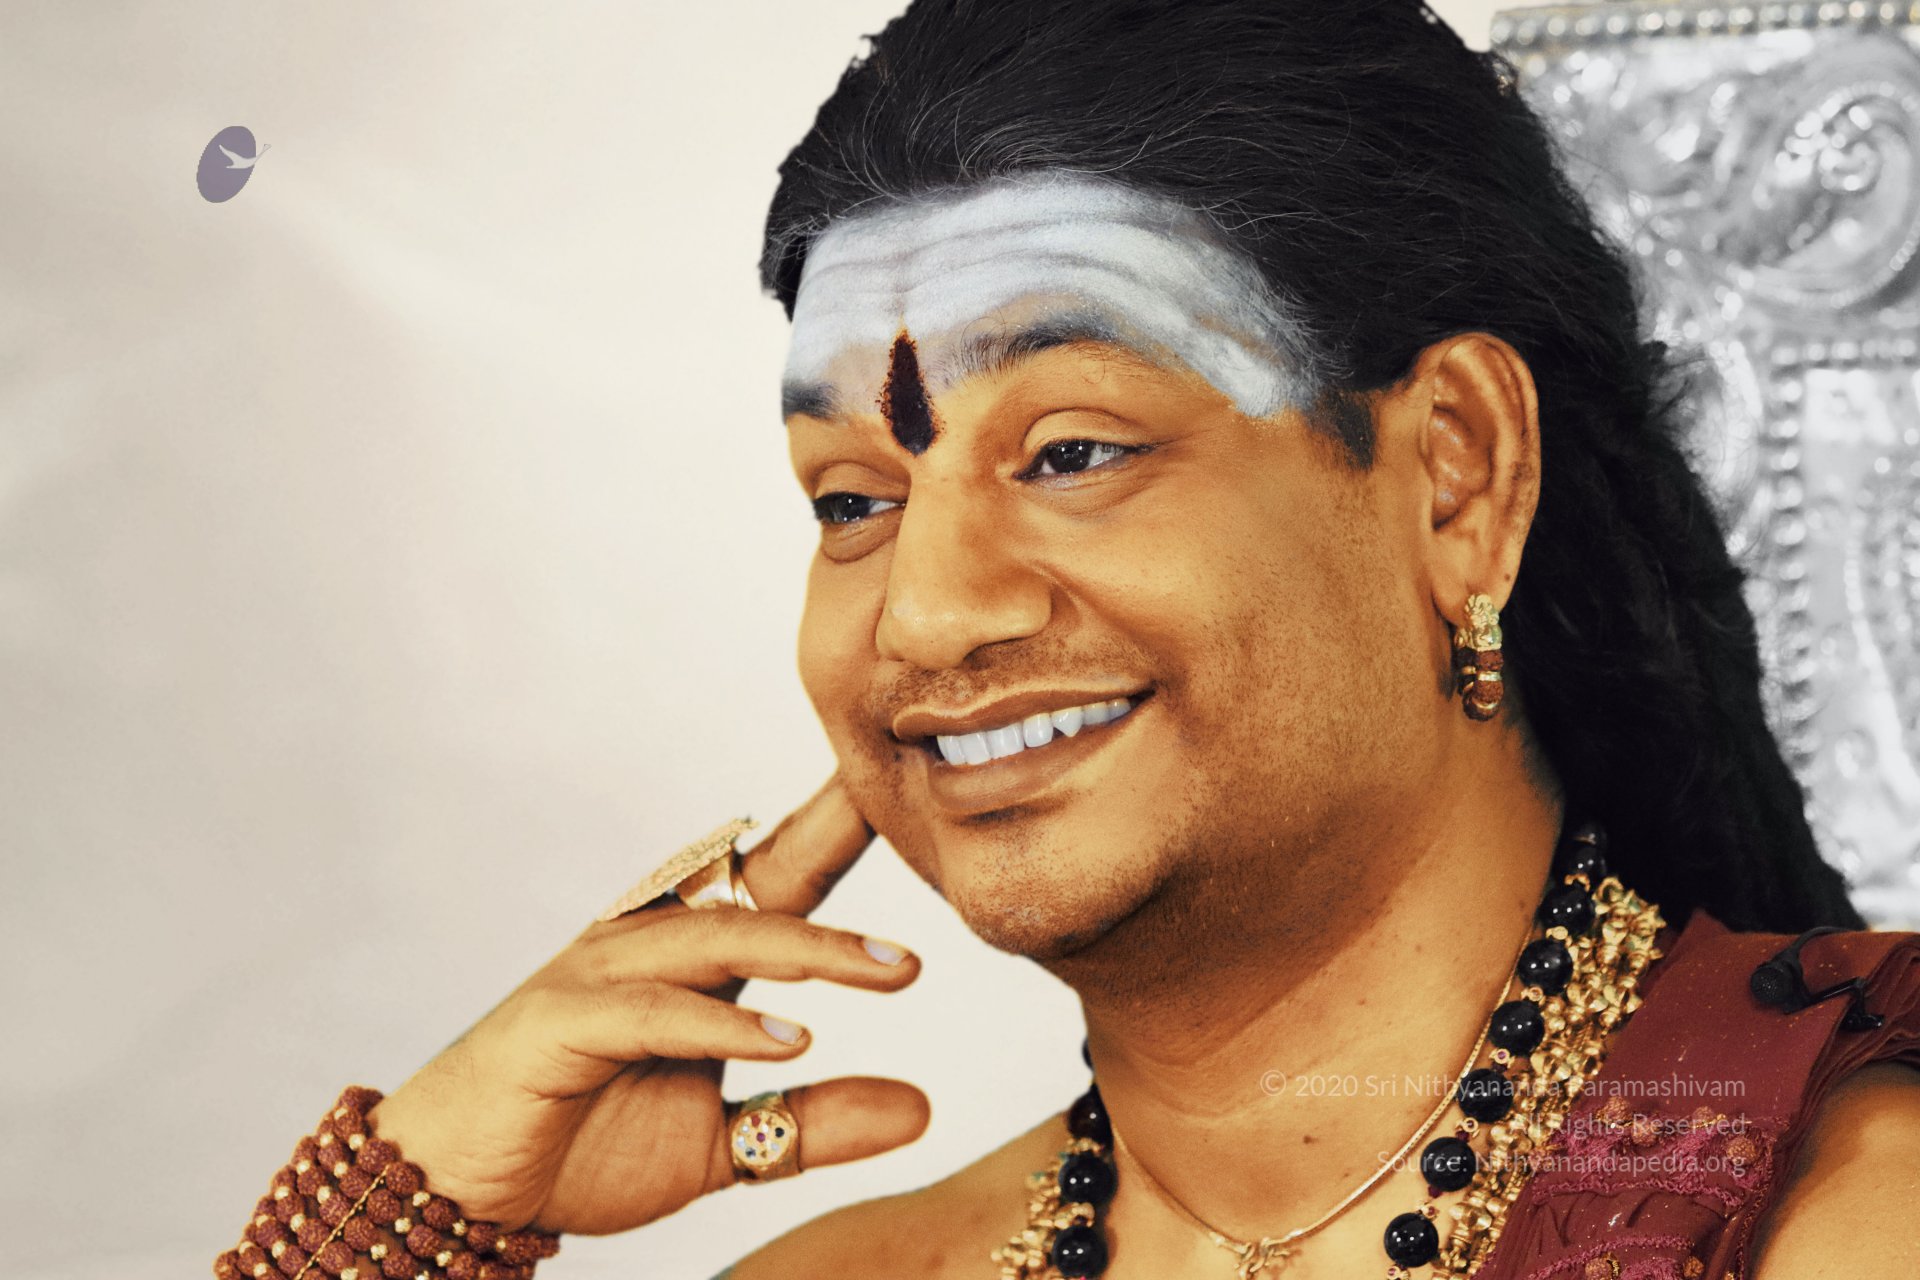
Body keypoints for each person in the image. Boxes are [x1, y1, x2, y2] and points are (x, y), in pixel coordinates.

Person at [216, 2, 1920, 1278]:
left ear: (1454, 476)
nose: (929, 609)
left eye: (1074, 451)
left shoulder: (1854, 1217)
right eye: (852, 499)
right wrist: (410, 1215)